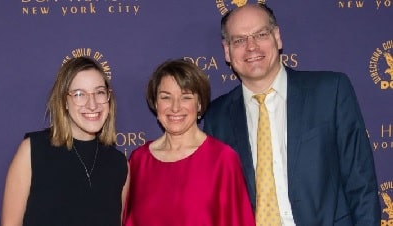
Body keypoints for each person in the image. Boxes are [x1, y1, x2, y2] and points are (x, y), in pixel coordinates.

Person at [203, 3, 381, 226]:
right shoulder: (216, 118)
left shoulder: (330, 92)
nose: (251, 47)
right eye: (239, 40)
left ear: (277, 37)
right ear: (227, 51)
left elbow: (361, 183)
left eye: (260, 34)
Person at [123, 59, 255, 226]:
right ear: (156, 104)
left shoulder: (222, 160)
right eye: (166, 97)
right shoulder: (138, 161)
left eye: (185, 97)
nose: (175, 107)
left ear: (199, 104)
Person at [1, 56, 129, 226]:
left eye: (99, 92)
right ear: (64, 101)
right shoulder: (33, 150)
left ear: (108, 98)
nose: (92, 104)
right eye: (79, 94)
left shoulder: (119, 164)